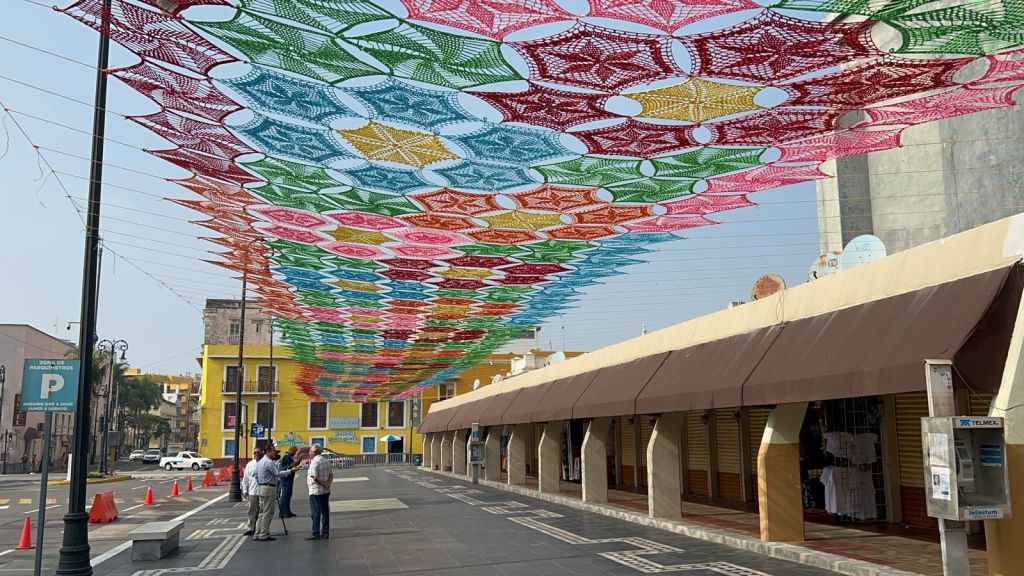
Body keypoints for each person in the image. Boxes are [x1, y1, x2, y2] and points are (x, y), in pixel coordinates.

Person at [253, 444, 298, 542]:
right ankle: (264, 534)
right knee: (268, 512)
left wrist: (260, 483)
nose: (275, 453)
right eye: (273, 451)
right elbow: (277, 473)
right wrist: (291, 471)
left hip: (262, 487)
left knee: (261, 512)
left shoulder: (260, 462)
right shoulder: (269, 462)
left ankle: (257, 533)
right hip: (269, 487)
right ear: (268, 451)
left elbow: (255, 475)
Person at [306, 444, 333, 540]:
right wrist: (328, 484)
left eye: (310, 451)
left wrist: (323, 484)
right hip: (325, 491)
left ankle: (315, 532)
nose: (309, 453)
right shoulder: (326, 460)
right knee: (325, 511)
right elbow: (331, 474)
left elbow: (315, 477)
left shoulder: (314, 462)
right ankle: (325, 532)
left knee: (316, 512)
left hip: (315, 491)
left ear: (314, 452)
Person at [241, 448, 264, 536]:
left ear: (262, 453)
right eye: (255, 453)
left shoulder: (265, 463)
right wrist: (244, 490)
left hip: (263, 491)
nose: (256, 454)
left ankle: (260, 529)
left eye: (258, 452)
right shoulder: (250, 464)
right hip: (252, 491)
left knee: (262, 511)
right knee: (251, 511)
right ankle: (250, 528)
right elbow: (245, 479)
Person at [276, 445, 298, 518]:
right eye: (295, 452)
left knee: (288, 496)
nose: (295, 454)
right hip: (286, 479)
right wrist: (300, 459)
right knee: (285, 496)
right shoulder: (287, 457)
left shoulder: (287, 456)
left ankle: (287, 511)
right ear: (293, 451)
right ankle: (283, 512)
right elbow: (293, 465)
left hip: (287, 479)